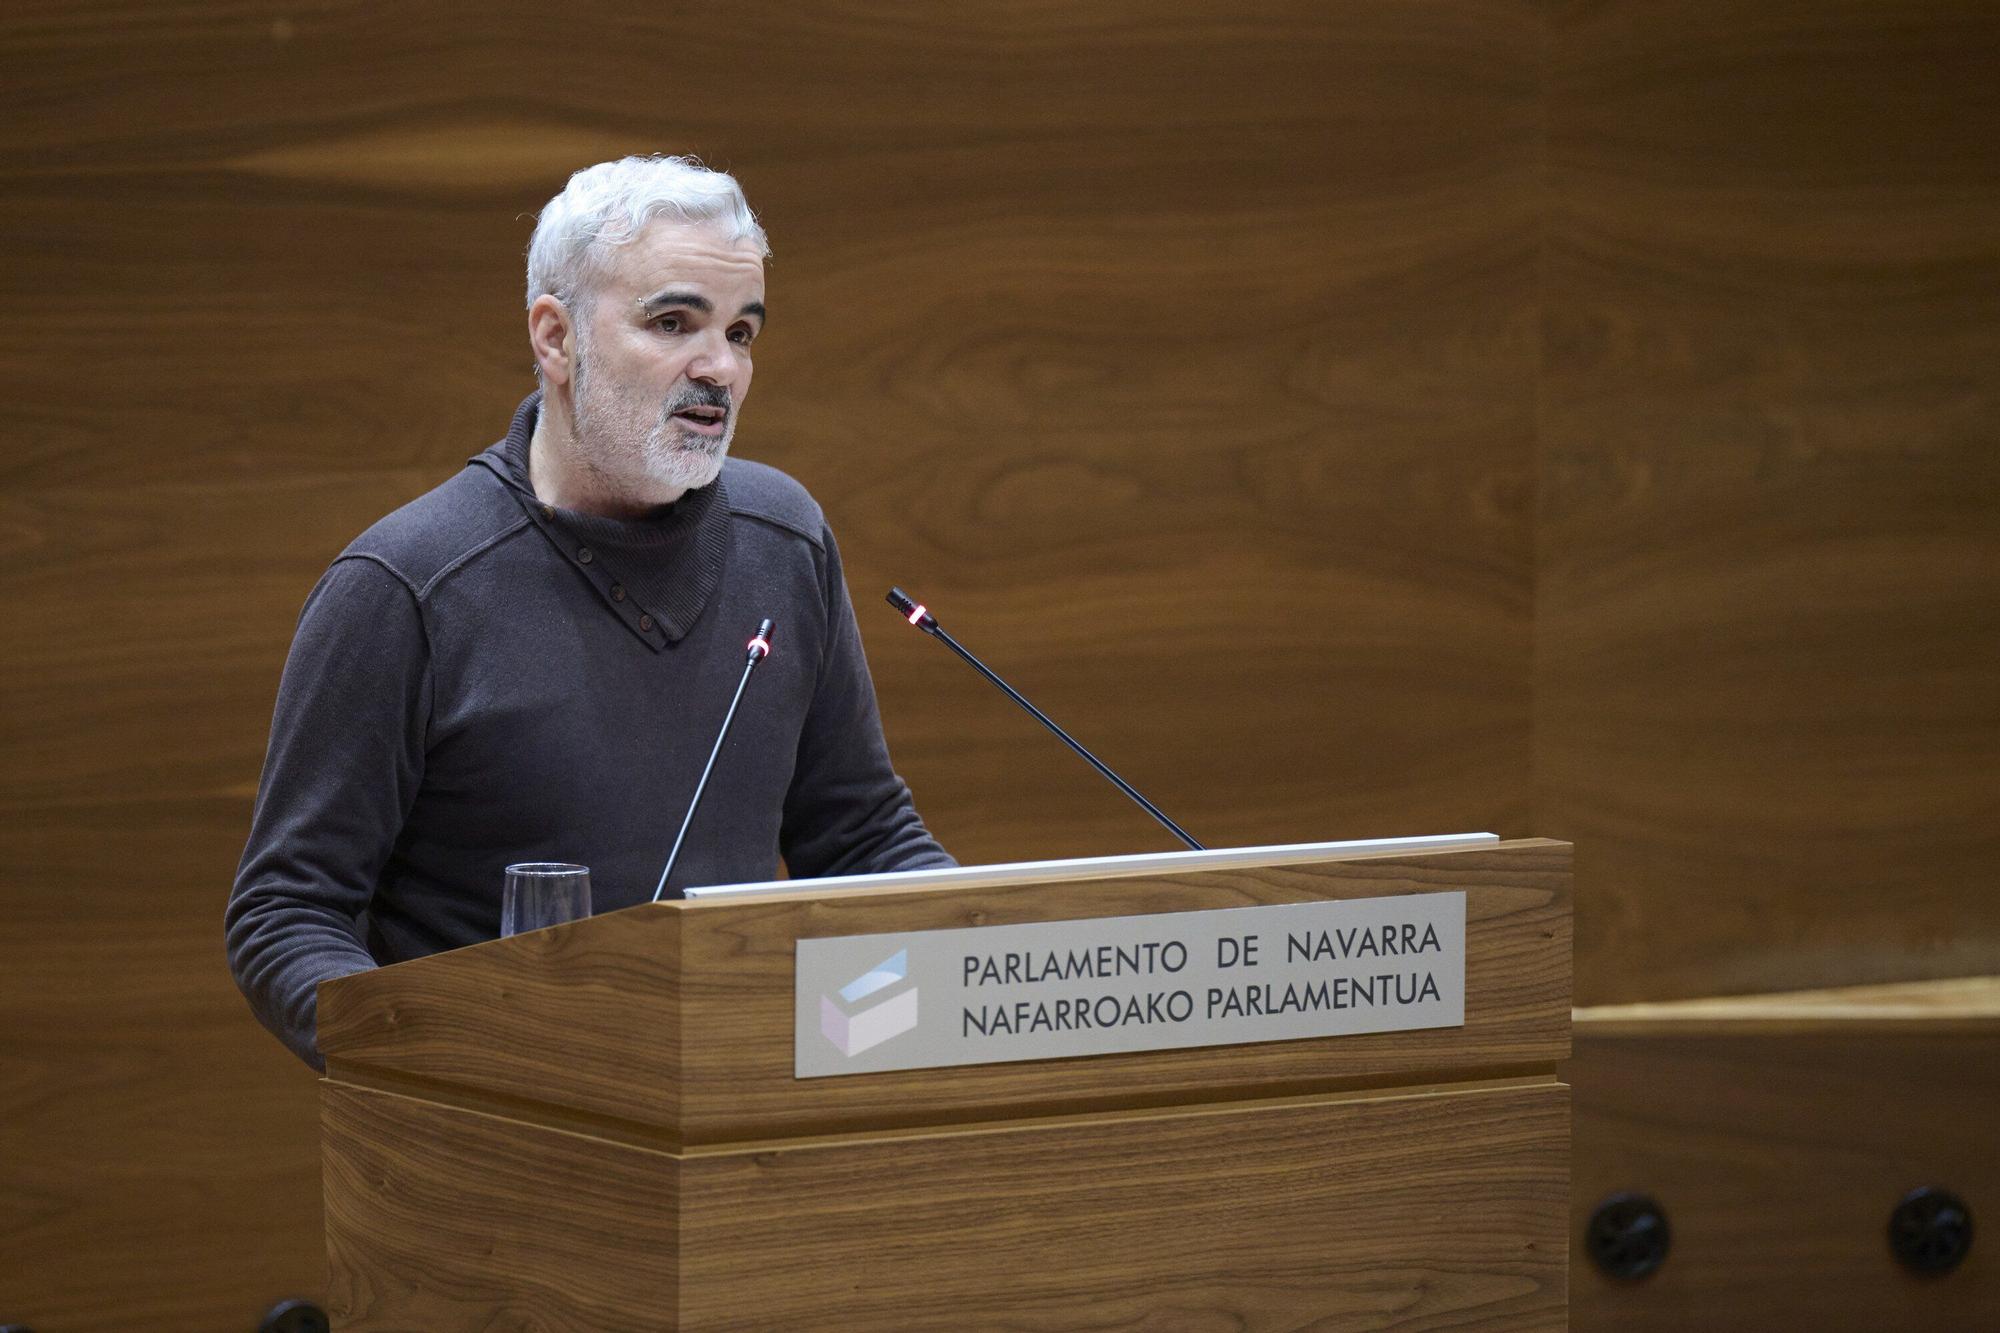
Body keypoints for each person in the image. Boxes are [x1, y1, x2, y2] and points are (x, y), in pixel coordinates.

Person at [226, 155, 953, 1070]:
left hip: (738, 1126)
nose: (718, 367)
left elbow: (861, 840)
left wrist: (975, 971)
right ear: (555, 337)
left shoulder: (786, 540)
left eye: (741, 331)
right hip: (498, 1150)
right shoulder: (405, 585)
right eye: (673, 322)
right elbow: (286, 913)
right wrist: (438, 1063)